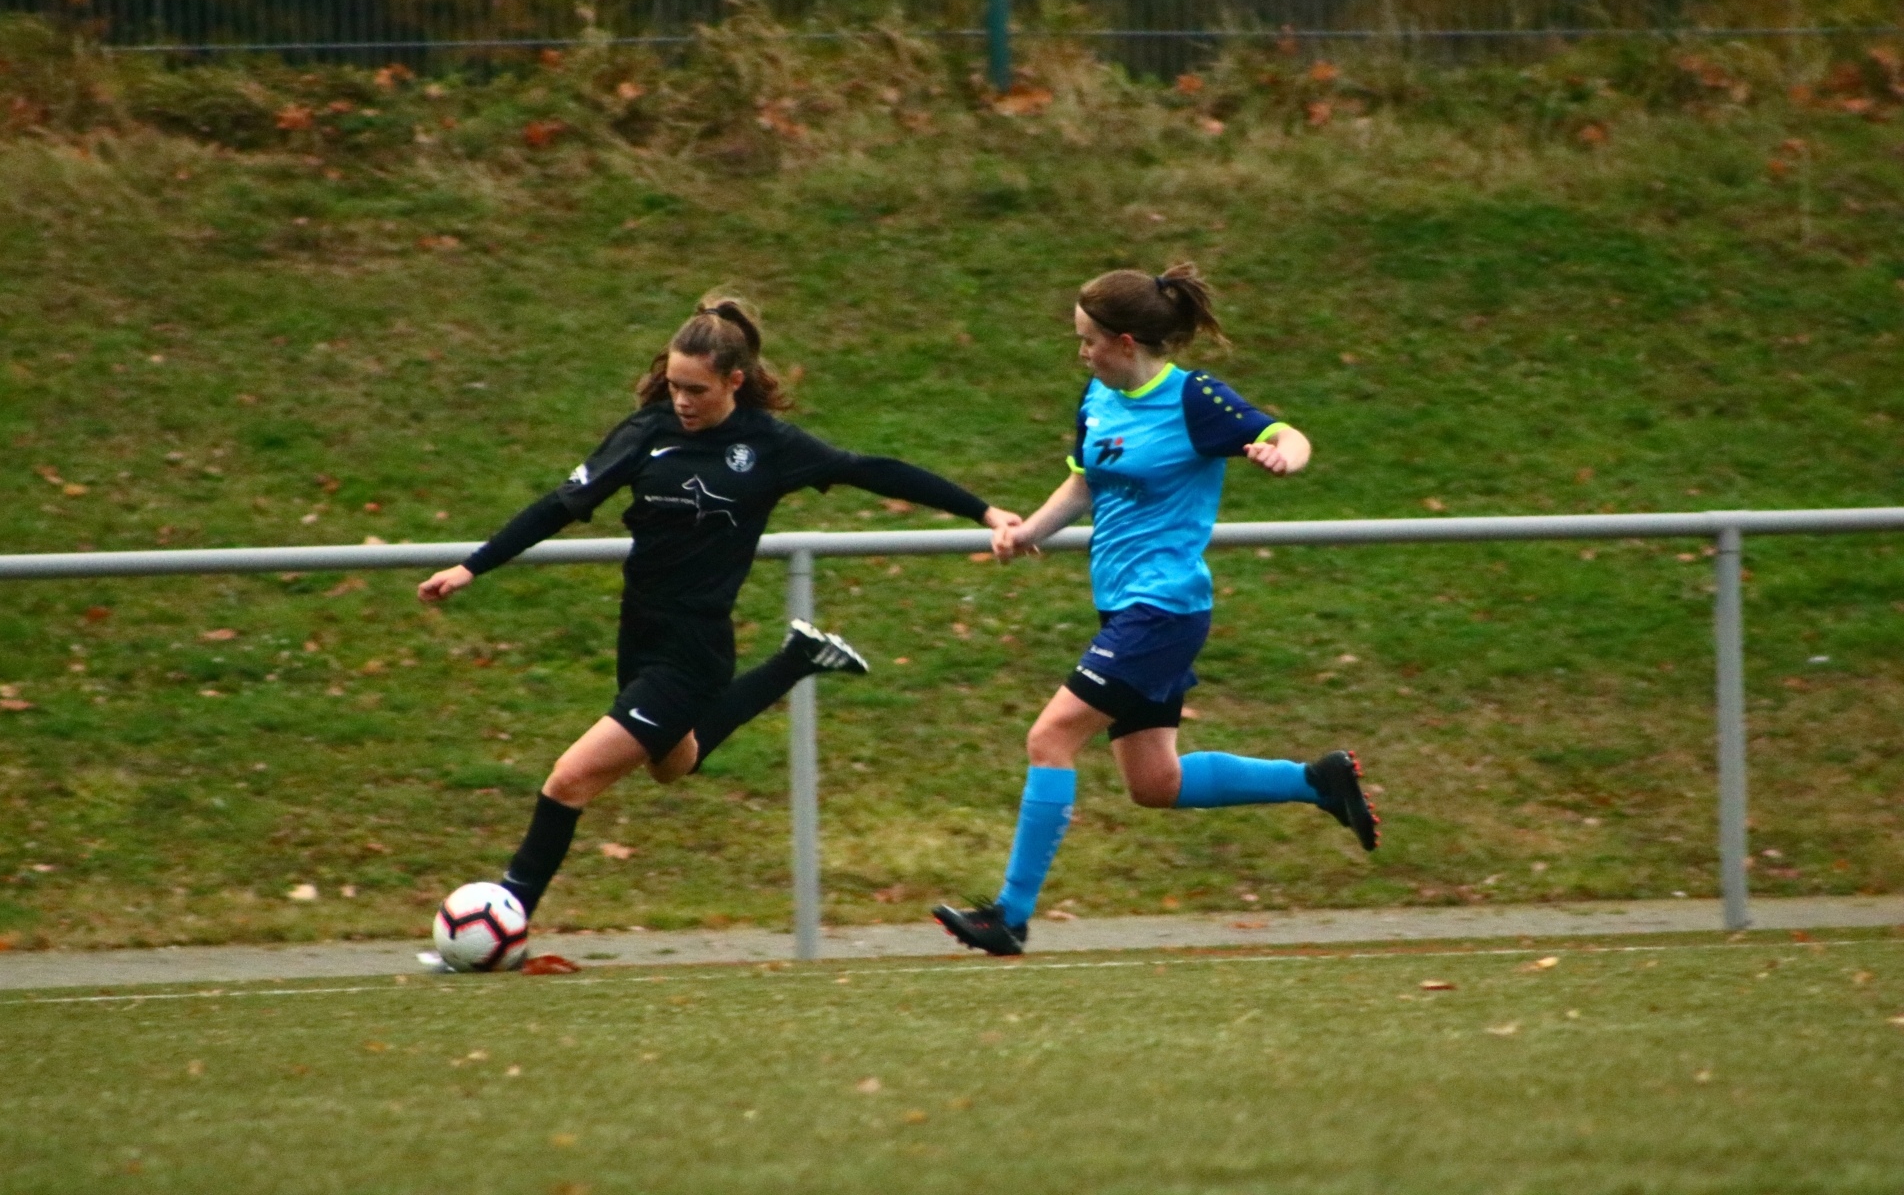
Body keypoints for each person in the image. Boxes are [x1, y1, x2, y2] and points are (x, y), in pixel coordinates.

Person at [418, 293, 1020, 924]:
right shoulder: (647, 433)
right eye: (674, 385)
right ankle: (796, 660)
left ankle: (507, 920)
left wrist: (983, 511)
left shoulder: (769, 445)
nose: (681, 401)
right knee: (671, 765)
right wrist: (471, 566)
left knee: (570, 779)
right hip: (639, 634)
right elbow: (557, 506)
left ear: (734, 381)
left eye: (696, 390)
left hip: (693, 650)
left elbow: (874, 471)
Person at [933, 264, 1379, 957]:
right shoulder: (1098, 397)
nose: (1081, 352)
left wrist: (1283, 458)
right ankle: (1317, 781)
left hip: (1163, 610)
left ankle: (1009, 916)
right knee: (1155, 783)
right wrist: (1027, 533)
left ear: (1125, 342)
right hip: (1123, 611)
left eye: (1088, 340)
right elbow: (1084, 484)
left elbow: (1289, 435)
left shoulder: (1194, 399)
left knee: (1050, 739)